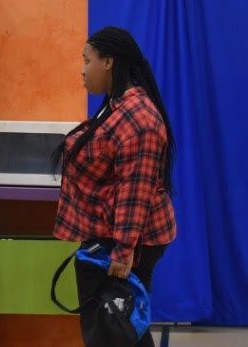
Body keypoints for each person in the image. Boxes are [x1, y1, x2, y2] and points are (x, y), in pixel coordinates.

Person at [52, 26, 176, 346]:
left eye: (86, 60)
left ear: (108, 62)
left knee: (117, 326)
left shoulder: (139, 119)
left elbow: (134, 191)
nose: (82, 69)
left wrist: (123, 251)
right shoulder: (116, 104)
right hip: (112, 236)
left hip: (128, 241)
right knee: (117, 323)